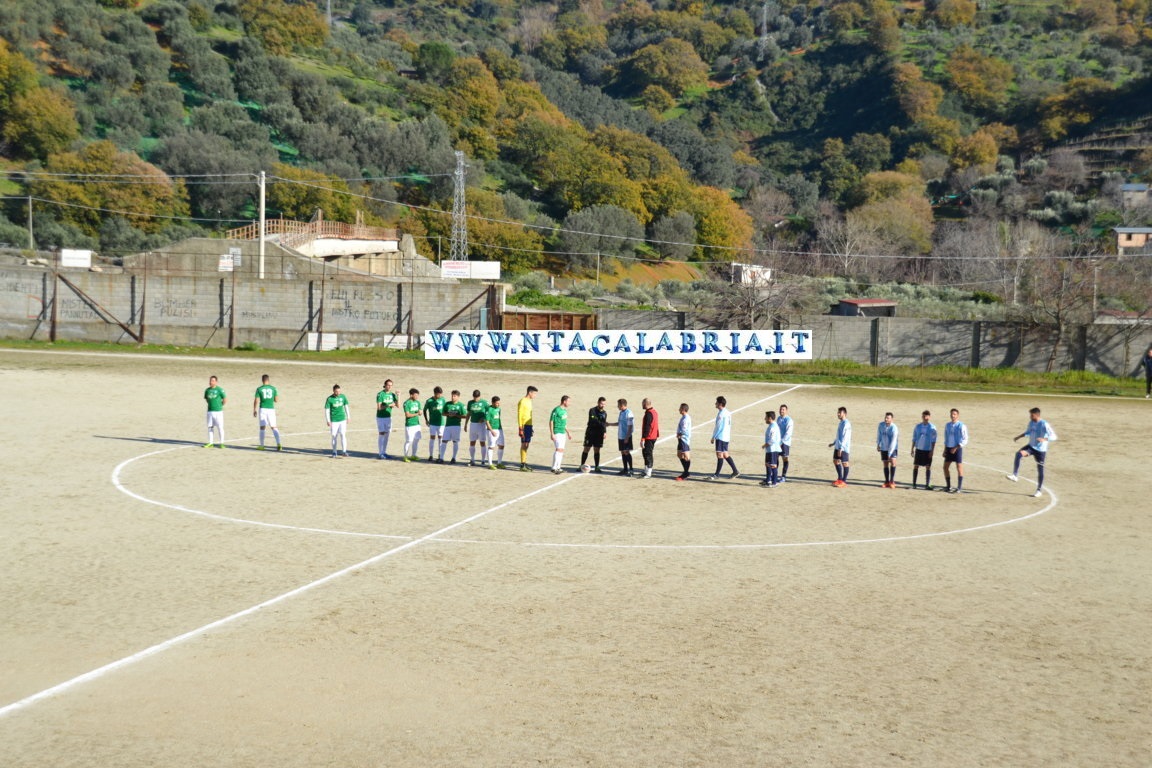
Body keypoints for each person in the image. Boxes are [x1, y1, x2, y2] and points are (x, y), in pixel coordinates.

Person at [1007, 407, 1058, 498]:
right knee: (1018, 454)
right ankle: (1015, 475)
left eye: (1031, 415)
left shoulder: (1044, 424)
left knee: (1040, 469)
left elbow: (1054, 437)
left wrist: (1044, 439)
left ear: (1036, 415)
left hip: (1041, 450)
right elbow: (1028, 432)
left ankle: (1039, 490)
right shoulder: (1031, 423)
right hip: (1031, 446)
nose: (1030, 416)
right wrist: (1019, 436)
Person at [707, 396, 739, 480]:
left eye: (716, 402)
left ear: (720, 404)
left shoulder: (721, 414)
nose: (715, 404)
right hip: (726, 437)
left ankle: (716, 475)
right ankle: (735, 471)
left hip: (720, 437)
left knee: (719, 455)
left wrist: (713, 437)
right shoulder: (728, 412)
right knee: (725, 454)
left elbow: (718, 426)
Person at [252, 374, 282, 451]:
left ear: (262, 380)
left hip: (263, 409)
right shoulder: (274, 388)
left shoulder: (259, 389)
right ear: (268, 380)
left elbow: (256, 400)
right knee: (274, 427)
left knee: (262, 427)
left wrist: (254, 409)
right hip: (271, 409)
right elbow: (276, 400)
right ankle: (279, 444)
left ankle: (262, 445)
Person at [942, 408, 968, 493]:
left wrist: (956, 447)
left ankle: (959, 488)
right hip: (949, 448)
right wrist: (945, 449)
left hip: (957, 448)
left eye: (954, 414)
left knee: (959, 467)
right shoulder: (948, 425)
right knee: (945, 467)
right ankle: (948, 486)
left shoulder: (961, 426)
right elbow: (946, 437)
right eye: (951, 414)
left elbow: (965, 439)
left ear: (958, 415)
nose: (953, 416)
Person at [910, 410, 938, 491]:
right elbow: (914, 438)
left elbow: (934, 440)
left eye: (927, 416)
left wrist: (932, 451)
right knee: (916, 465)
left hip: (927, 449)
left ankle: (927, 484)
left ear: (929, 417)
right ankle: (914, 484)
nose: (925, 418)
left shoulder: (932, 427)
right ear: (922, 417)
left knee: (928, 467)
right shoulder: (918, 426)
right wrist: (912, 449)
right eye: (924, 416)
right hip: (919, 449)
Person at [579, 397, 609, 472]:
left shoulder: (604, 413)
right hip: (590, 433)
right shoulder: (592, 410)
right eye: (601, 403)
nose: (603, 405)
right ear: (598, 402)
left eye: (604, 404)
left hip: (599, 434)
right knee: (586, 448)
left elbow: (604, 423)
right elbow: (594, 420)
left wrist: (604, 432)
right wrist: (602, 424)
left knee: (597, 450)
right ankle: (581, 465)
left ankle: (597, 467)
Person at [609, 399, 635, 476]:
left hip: (626, 436)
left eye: (618, 405)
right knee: (623, 452)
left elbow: (630, 426)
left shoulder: (629, 413)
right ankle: (625, 469)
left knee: (627, 452)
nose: (617, 406)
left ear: (622, 405)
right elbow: (619, 423)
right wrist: (609, 424)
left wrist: (627, 437)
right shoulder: (621, 412)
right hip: (620, 436)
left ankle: (631, 470)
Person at [324, 384, 350, 458]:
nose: (338, 393)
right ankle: (334, 452)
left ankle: (344, 451)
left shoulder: (343, 397)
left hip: (342, 419)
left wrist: (348, 417)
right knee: (334, 436)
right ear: (333, 391)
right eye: (336, 391)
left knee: (343, 434)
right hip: (334, 420)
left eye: (339, 391)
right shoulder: (329, 399)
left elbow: (346, 406)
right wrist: (328, 420)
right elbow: (327, 410)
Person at [375, 379, 398, 460]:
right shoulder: (380, 394)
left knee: (387, 435)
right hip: (381, 417)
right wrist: (389, 405)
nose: (389, 386)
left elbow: (398, 405)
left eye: (391, 385)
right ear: (385, 385)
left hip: (388, 417)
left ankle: (384, 452)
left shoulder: (392, 395)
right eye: (388, 385)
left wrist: (398, 396)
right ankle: (380, 453)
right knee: (381, 434)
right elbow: (379, 408)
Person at [549, 395, 572, 474]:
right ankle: (554, 467)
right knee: (558, 449)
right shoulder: (556, 410)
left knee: (561, 450)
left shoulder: (565, 411)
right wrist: (552, 433)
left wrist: (568, 432)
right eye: (569, 401)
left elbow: (564, 423)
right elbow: (551, 421)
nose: (570, 403)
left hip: (563, 432)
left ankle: (558, 467)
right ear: (564, 401)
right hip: (557, 432)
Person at [517, 385, 538, 472]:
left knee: (527, 444)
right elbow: (519, 414)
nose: (535, 396)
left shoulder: (529, 401)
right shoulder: (522, 401)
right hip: (524, 425)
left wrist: (531, 427)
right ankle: (522, 464)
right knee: (524, 444)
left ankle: (524, 463)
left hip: (529, 425)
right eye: (534, 394)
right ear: (530, 392)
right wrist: (520, 427)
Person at [442, 390, 467, 463]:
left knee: (455, 441)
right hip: (447, 425)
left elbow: (465, 415)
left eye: (454, 396)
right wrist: (448, 414)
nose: (453, 397)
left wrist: (456, 415)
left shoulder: (461, 405)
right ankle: (441, 458)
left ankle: (453, 458)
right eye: (452, 396)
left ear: (458, 397)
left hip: (456, 426)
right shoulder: (447, 404)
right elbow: (443, 413)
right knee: (444, 441)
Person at [828, 406, 851, 487]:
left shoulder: (846, 424)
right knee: (836, 461)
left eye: (839, 413)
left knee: (845, 463)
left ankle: (844, 481)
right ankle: (840, 479)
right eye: (838, 413)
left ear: (844, 414)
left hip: (843, 447)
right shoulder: (841, 423)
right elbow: (839, 435)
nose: (838, 414)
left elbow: (845, 437)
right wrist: (834, 443)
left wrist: (841, 448)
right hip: (838, 446)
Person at [876, 412, 899, 488]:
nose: (886, 419)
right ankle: (886, 481)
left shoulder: (894, 428)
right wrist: (878, 444)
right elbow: (879, 435)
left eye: (888, 418)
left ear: (891, 419)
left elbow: (893, 441)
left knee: (893, 462)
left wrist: (890, 453)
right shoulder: (881, 425)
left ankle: (892, 481)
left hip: (892, 448)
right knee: (885, 463)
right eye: (885, 417)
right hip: (884, 448)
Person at [423, 386, 447, 462]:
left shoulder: (443, 399)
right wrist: (426, 420)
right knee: (432, 439)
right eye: (438, 394)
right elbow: (424, 410)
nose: (440, 395)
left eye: (441, 394)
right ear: (435, 393)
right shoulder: (429, 401)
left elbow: (445, 409)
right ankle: (430, 455)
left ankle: (440, 455)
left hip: (441, 423)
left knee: (440, 439)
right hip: (433, 423)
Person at [466, 389, 489, 466]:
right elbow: (468, 413)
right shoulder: (470, 403)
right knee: (472, 442)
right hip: (473, 424)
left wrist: (483, 419)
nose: (476, 399)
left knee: (482, 442)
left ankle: (483, 460)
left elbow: (488, 413)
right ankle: (472, 459)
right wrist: (466, 424)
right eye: (474, 397)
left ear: (480, 396)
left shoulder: (485, 403)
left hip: (481, 425)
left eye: (477, 397)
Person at [638, 398, 659, 478]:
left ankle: (649, 472)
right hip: (652, 436)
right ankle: (646, 470)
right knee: (645, 453)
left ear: (646, 404)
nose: (642, 405)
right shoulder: (654, 412)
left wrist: (643, 438)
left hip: (649, 437)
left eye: (642, 403)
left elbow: (647, 427)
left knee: (648, 454)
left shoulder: (649, 414)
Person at [203, 375, 226, 448]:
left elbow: (225, 399)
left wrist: (220, 406)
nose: (210, 382)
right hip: (210, 411)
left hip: (218, 412)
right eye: (210, 380)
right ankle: (211, 442)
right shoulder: (207, 390)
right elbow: (206, 399)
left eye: (212, 380)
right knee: (210, 427)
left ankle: (222, 443)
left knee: (220, 427)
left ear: (216, 382)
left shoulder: (220, 390)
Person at [761, 410, 782, 488]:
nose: (764, 419)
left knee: (773, 465)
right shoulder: (771, 426)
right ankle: (768, 480)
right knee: (768, 464)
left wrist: (765, 445)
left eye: (766, 417)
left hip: (773, 449)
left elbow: (772, 440)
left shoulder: (773, 427)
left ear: (770, 418)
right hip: (770, 449)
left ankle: (774, 482)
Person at [401, 388, 422, 462]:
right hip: (410, 425)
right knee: (409, 441)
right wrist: (417, 413)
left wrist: (420, 412)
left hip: (417, 424)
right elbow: (407, 415)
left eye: (417, 395)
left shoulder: (418, 402)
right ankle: (405, 456)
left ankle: (413, 455)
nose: (417, 397)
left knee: (416, 440)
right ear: (411, 395)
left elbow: (420, 411)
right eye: (416, 395)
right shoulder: (406, 403)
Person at [486, 395, 506, 469]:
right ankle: (490, 464)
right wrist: (491, 431)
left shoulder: (499, 409)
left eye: (499, 403)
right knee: (491, 447)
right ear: (493, 403)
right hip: (492, 430)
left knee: (501, 445)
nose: (498, 404)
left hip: (499, 429)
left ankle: (499, 463)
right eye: (497, 403)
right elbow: (487, 421)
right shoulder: (489, 410)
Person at [674, 403, 692, 481]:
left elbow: (684, 430)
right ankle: (686, 472)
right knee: (679, 454)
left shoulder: (685, 419)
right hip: (681, 439)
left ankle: (686, 473)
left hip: (684, 439)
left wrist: (679, 434)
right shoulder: (684, 417)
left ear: (684, 409)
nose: (679, 409)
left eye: (680, 408)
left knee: (686, 456)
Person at [777, 403, 793, 483]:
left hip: (785, 443)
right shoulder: (778, 418)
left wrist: (782, 442)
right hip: (778, 442)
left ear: (786, 411)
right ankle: (775, 474)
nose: (781, 411)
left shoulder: (789, 420)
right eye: (780, 409)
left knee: (785, 458)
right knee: (775, 457)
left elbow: (788, 433)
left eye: (783, 409)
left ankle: (783, 476)